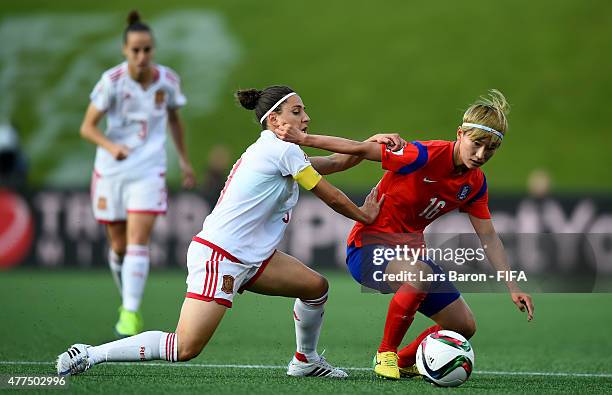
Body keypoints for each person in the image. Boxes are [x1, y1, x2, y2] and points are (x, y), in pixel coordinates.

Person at [57, 85, 403, 378]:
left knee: (315, 287)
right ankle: (91, 353)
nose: (306, 118)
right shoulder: (280, 150)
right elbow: (330, 195)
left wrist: (368, 143)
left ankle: (305, 361)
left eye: (304, 112)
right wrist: (365, 215)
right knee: (184, 347)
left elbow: (339, 163)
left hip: (252, 257)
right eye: (297, 112)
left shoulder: (282, 152)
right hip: (221, 256)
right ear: (275, 120)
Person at [274, 89, 535, 380]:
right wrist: (305, 140)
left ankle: (404, 360)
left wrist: (513, 285)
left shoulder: (474, 183)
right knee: (420, 274)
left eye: (490, 150)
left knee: (463, 326)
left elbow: (488, 236)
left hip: (411, 257)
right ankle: (385, 353)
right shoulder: (422, 155)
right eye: (476, 144)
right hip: (368, 248)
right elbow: (359, 150)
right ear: (460, 133)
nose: (481, 155)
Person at [78, 10, 196, 337]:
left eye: (147, 49)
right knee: (118, 247)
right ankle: (126, 299)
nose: (142, 56)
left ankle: (130, 311)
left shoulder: (168, 81)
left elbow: (175, 120)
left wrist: (185, 162)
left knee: (138, 241)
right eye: (135, 50)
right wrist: (110, 145)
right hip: (111, 171)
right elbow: (87, 127)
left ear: (153, 49)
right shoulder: (112, 82)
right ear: (124, 50)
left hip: (149, 169)